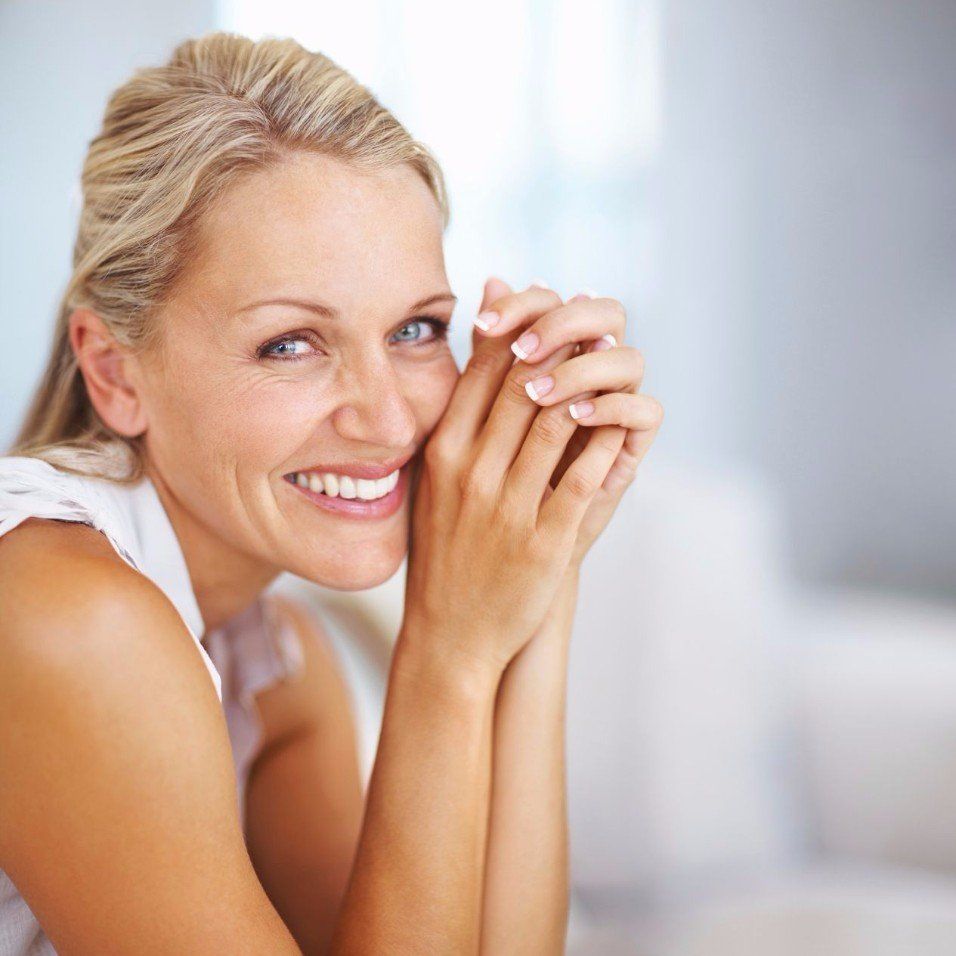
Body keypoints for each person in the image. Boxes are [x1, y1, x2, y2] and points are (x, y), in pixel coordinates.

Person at [0, 31, 663, 955]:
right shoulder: (63, 617)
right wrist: (448, 651)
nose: (387, 421)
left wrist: (547, 560)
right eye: (290, 344)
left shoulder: (274, 662)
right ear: (114, 372)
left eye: (415, 329)